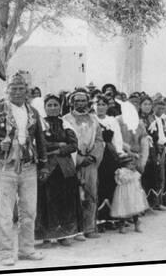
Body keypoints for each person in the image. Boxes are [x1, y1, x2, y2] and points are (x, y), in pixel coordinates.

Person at [0, 72, 47, 266]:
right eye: (13, 88)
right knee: (6, 214)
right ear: (6, 90)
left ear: (27, 91)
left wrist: (43, 165)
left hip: (29, 167)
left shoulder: (33, 112)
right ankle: (6, 253)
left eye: (21, 88)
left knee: (29, 212)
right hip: (5, 167)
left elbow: (40, 140)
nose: (17, 92)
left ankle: (26, 249)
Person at [35, 94, 82, 247]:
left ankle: (64, 235)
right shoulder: (39, 124)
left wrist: (59, 150)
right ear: (44, 108)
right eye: (50, 105)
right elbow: (40, 144)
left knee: (65, 201)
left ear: (60, 107)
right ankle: (47, 237)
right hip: (47, 168)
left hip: (65, 169)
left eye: (56, 105)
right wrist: (59, 144)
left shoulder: (66, 124)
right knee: (47, 201)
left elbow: (74, 145)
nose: (53, 108)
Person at [63, 89, 104, 240]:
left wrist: (93, 156)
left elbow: (99, 140)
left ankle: (89, 227)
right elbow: (67, 141)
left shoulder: (93, 119)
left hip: (90, 162)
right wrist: (79, 159)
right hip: (74, 161)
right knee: (74, 195)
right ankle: (75, 230)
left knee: (91, 194)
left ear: (87, 102)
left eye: (83, 100)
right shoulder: (66, 119)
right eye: (77, 101)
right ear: (71, 102)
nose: (80, 103)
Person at [94, 96, 125, 228]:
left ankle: (111, 218)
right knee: (98, 185)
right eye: (98, 104)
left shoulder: (112, 120)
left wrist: (119, 152)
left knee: (110, 184)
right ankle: (99, 219)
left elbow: (117, 138)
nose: (100, 107)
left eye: (103, 104)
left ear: (107, 107)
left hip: (110, 155)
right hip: (96, 154)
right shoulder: (91, 119)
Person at [139, 97, 166, 210]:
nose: (147, 106)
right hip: (142, 148)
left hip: (153, 149)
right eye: (145, 104)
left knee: (154, 174)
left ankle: (155, 203)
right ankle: (143, 205)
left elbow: (157, 134)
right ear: (141, 106)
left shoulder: (152, 118)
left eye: (149, 104)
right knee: (143, 176)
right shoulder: (137, 118)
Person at [111, 155, 149, 233]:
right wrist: (131, 175)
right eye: (130, 164)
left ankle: (136, 224)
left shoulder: (135, 172)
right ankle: (122, 225)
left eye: (133, 164)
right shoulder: (121, 171)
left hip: (133, 192)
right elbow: (122, 180)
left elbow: (138, 180)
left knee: (135, 207)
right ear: (125, 164)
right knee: (123, 208)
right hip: (124, 192)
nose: (132, 166)